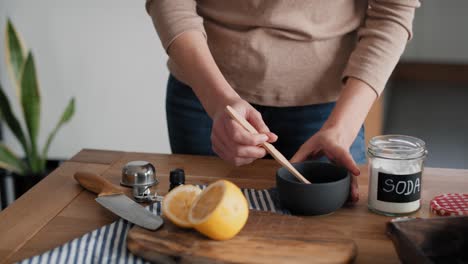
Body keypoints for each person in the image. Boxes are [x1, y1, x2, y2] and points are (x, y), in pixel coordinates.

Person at [145, 0, 420, 202]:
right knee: (200, 220)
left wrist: (342, 128)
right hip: (206, 93)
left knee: (329, 231)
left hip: (329, 111)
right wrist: (218, 101)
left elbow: (393, 11)